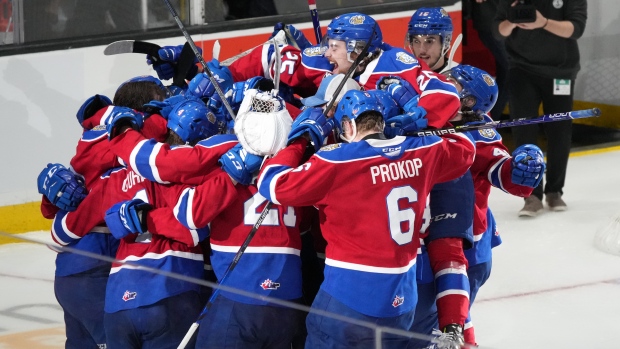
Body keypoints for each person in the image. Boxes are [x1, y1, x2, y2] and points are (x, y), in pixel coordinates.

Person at [256, 89, 476, 348]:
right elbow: (466, 148)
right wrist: (416, 122)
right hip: (403, 298)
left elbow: (272, 184)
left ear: (348, 125)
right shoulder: (422, 150)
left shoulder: (336, 160)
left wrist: (300, 140)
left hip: (350, 294)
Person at [36, 76, 170, 349]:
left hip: (71, 270)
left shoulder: (92, 141)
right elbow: (161, 131)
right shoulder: (125, 142)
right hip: (95, 270)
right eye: (159, 105)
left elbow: (51, 205)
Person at [495, 0, 587, 216]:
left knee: (560, 131)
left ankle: (554, 191)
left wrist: (543, 22)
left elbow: (576, 28)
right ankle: (531, 194)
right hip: (522, 68)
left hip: (560, 70)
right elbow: (499, 31)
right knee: (524, 130)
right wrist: (512, 20)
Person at [467, 0, 511, 120]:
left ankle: (488, 121)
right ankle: (488, 122)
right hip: (492, 19)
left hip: (505, 18)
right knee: (513, 72)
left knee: (507, 73)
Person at [406, 7, 457, 73]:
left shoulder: (458, 80)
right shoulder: (405, 75)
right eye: (416, 41)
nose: (422, 50)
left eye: (429, 41)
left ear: (445, 42)